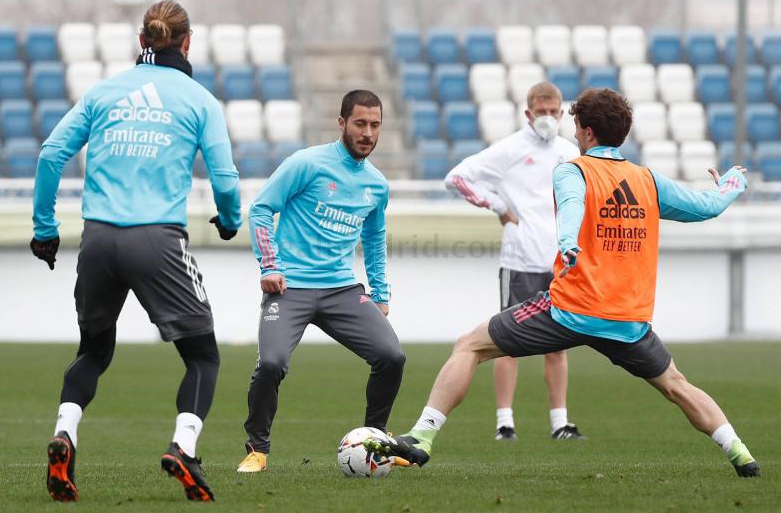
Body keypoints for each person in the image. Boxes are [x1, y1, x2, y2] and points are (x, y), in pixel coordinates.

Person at [365, 88, 761, 478]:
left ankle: (422, 437)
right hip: (627, 321)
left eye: (575, 125)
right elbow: (705, 207)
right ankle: (741, 453)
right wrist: (731, 185)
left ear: (588, 131)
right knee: (677, 385)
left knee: (469, 345)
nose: (572, 133)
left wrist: (568, 241)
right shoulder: (648, 181)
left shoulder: (573, 169)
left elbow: (572, 205)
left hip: (570, 311)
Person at [31, 0, 241, 502]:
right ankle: (183, 448)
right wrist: (230, 221)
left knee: (94, 350)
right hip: (158, 241)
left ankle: (65, 435)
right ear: (187, 43)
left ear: (141, 40)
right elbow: (226, 180)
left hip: (99, 239)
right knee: (202, 357)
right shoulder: (199, 101)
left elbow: (51, 153)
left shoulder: (104, 92)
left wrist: (45, 228)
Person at [236, 90, 405, 473]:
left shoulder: (376, 185)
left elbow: (375, 239)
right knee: (272, 365)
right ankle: (257, 449)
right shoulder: (307, 163)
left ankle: (375, 440)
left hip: (341, 290)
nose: (367, 133)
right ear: (342, 123)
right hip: (289, 287)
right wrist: (269, 267)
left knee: (392, 357)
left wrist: (380, 293)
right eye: (360, 123)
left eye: (375, 125)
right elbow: (261, 209)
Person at [445, 82, 583, 441]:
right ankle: (505, 423)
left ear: (562, 113)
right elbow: (457, 177)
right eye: (541, 112)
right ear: (528, 113)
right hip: (520, 258)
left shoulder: (570, 153)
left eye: (554, 112)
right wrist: (500, 208)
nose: (548, 118)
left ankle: (560, 423)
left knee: (558, 343)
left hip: (558, 262)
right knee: (508, 341)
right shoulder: (509, 149)